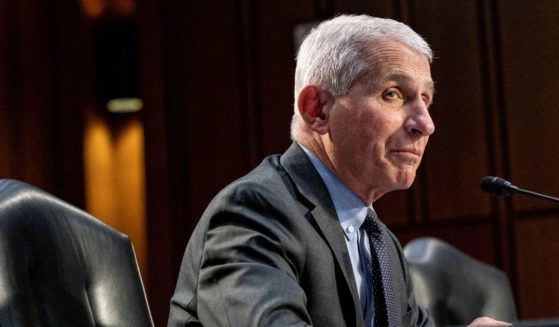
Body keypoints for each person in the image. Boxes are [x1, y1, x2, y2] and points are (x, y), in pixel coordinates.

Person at [168, 14, 511, 327]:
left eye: (426, 99)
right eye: (393, 94)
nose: (426, 124)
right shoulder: (256, 212)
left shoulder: (380, 244)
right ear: (317, 110)